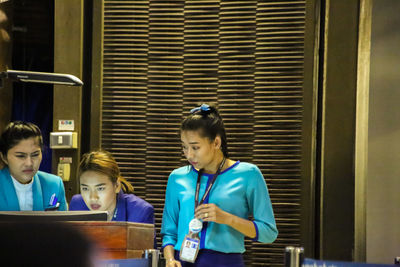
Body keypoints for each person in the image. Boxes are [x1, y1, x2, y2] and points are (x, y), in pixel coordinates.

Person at [161, 104, 278, 267]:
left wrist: (227, 218)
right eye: (184, 147)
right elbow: (169, 231)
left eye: (195, 147)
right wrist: (169, 259)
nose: (188, 155)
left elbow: (269, 233)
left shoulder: (248, 174)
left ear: (216, 142)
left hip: (225, 262)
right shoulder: (177, 177)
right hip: (183, 261)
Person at [69, 150, 155, 224]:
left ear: (117, 186)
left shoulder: (141, 212)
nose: (93, 197)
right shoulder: (77, 205)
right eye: (85, 189)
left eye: (100, 188)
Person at [0, 121, 67, 211]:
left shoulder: (54, 185)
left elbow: (61, 224)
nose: (29, 163)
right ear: (4, 157)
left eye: (35, 155)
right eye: (20, 156)